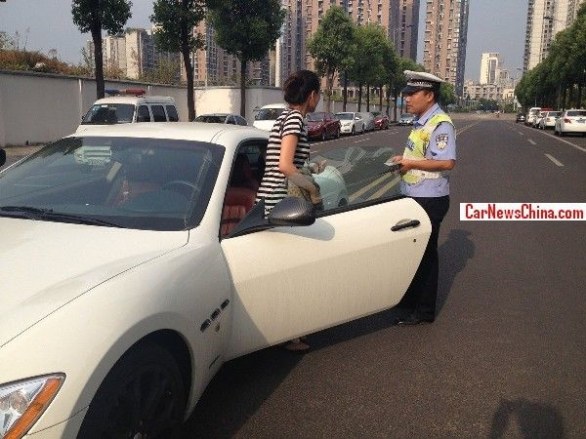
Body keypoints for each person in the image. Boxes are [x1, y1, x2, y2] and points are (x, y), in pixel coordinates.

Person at [255, 69, 322, 351]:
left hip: (271, 197)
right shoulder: (295, 119)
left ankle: (282, 329)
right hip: (282, 199)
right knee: (292, 266)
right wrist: (313, 188)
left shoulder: (284, 117)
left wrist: (312, 166)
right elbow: (284, 166)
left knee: (282, 265)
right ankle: (291, 333)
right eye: (318, 94)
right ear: (311, 96)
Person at [390, 70, 457, 326]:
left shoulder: (440, 123)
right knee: (413, 251)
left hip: (430, 198)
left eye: (412, 94)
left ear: (429, 95)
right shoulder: (421, 120)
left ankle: (424, 311)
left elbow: (447, 162)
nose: (407, 99)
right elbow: (419, 155)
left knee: (426, 255)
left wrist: (409, 162)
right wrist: (403, 160)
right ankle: (410, 300)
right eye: (406, 94)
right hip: (414, 195)